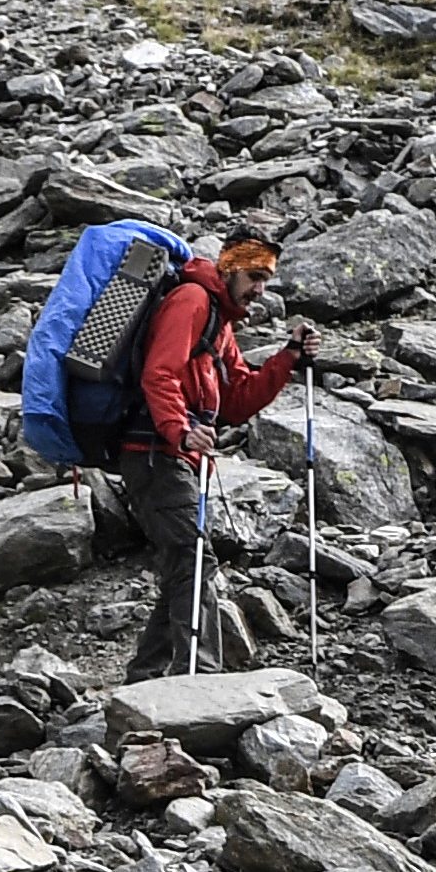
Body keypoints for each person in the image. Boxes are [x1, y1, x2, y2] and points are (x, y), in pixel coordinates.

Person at [118, 234, 307, 679]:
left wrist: (288, 358)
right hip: (152, 450)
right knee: (192, 555)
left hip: (172, 453)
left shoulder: (219, 322)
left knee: (188, 561)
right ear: (228, 270)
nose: (260, 289)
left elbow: (237, 400)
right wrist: (180, 431)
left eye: (266, 280)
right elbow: (159, 373)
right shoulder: (192, 301)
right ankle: (199, 677)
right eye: (254, 277)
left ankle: (147, 674)